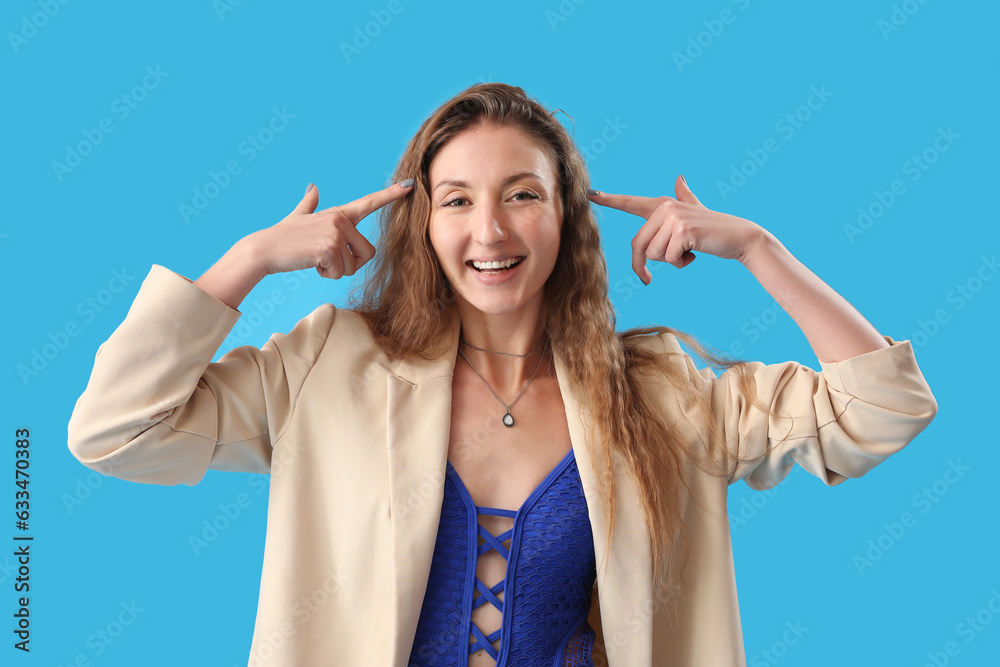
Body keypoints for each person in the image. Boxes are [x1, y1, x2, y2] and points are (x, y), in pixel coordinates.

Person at [67, 82, 938, 667]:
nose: (491, 230)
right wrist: (248, 260)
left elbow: (884, 407)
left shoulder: (660, 392)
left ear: (566, 214)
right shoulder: (331, 365)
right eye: (456, 199)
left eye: (522, 193)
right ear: (425, 224)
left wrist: (758, 248)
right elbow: (115, 428)